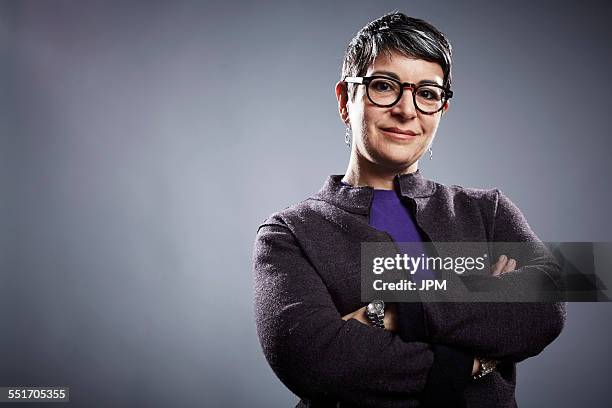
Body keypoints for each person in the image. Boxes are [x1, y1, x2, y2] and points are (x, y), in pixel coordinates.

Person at [252, 11, 566, 408]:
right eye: (384, 86)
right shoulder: (290, 233)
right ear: (345, 100)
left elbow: (548, 307)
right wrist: (472, 348)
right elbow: (311, 358)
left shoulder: (488, 211)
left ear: (442, 111)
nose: (406, 109)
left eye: (428, 93)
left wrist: (388, 312)